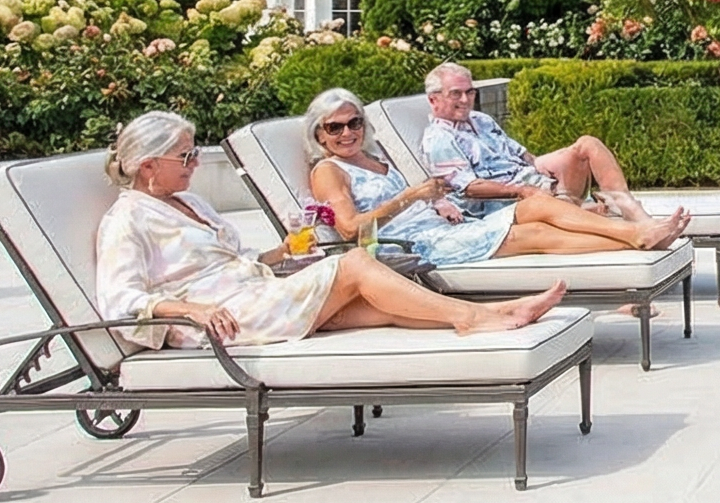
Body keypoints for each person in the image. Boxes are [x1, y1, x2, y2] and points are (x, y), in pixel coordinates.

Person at [94, 110, 566, 349]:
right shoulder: (128, 218)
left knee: (372, 302)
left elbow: (238, 265)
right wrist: (190, 310)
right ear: (148, 164)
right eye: (186, 156)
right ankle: (474, 318)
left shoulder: (189, 201)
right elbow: (119, 300)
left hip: (257, 295)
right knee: (356, 262)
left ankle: (498, 312)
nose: (195, 163)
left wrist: (281, 252)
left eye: (195, 153)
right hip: (225, 318)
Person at [301, 88, 688, 268]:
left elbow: (418, 196)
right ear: (320, 135)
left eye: (354, 123)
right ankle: (636, 239)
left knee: (536, 204)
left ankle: (636, 234)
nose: (347, 133)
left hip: (444, 226)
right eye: (335, 128)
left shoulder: (373, 156)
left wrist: (438, 201)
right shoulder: (329, 171)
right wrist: (412, 197)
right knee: (531, 235)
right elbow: (351, 228)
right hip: (416, 246)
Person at [417, 62, 651, 222]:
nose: (466, 100)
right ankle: (594, 213)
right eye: (456, 93)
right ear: (433, 100)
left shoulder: (481, 119)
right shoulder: (439, 139)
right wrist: (523, 189)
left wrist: (549, 169)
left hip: (534, 183)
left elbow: (522, 156)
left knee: (586, 144)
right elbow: (469, 188)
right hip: (506, 202)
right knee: (592, 213)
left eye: (470, 92)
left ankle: (628, 207)